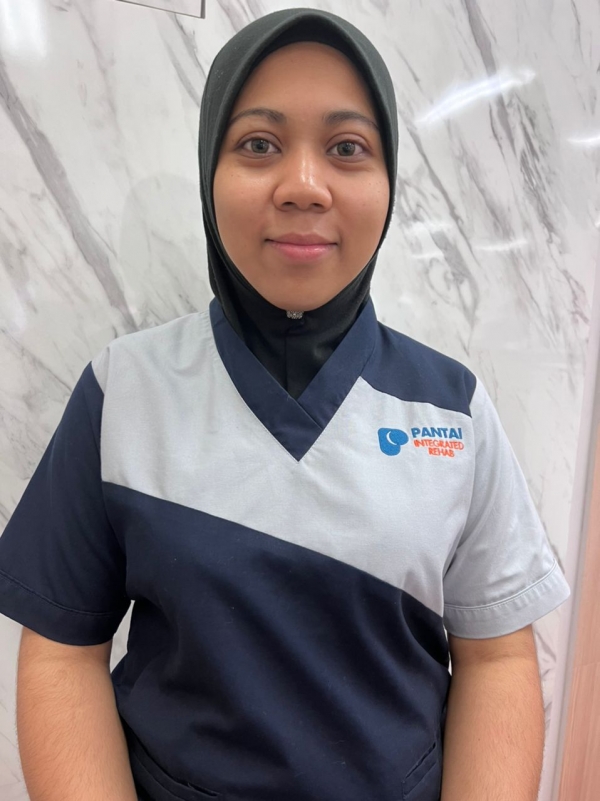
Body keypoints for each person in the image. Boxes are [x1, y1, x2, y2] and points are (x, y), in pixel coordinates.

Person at [0, 8, 570, 801]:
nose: (304, 186)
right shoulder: (121, 392)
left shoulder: (454, 409)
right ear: (211, 171)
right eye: (260, 144)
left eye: (348, 147)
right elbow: (63, 652)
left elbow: (498, 657)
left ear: (389, 182)